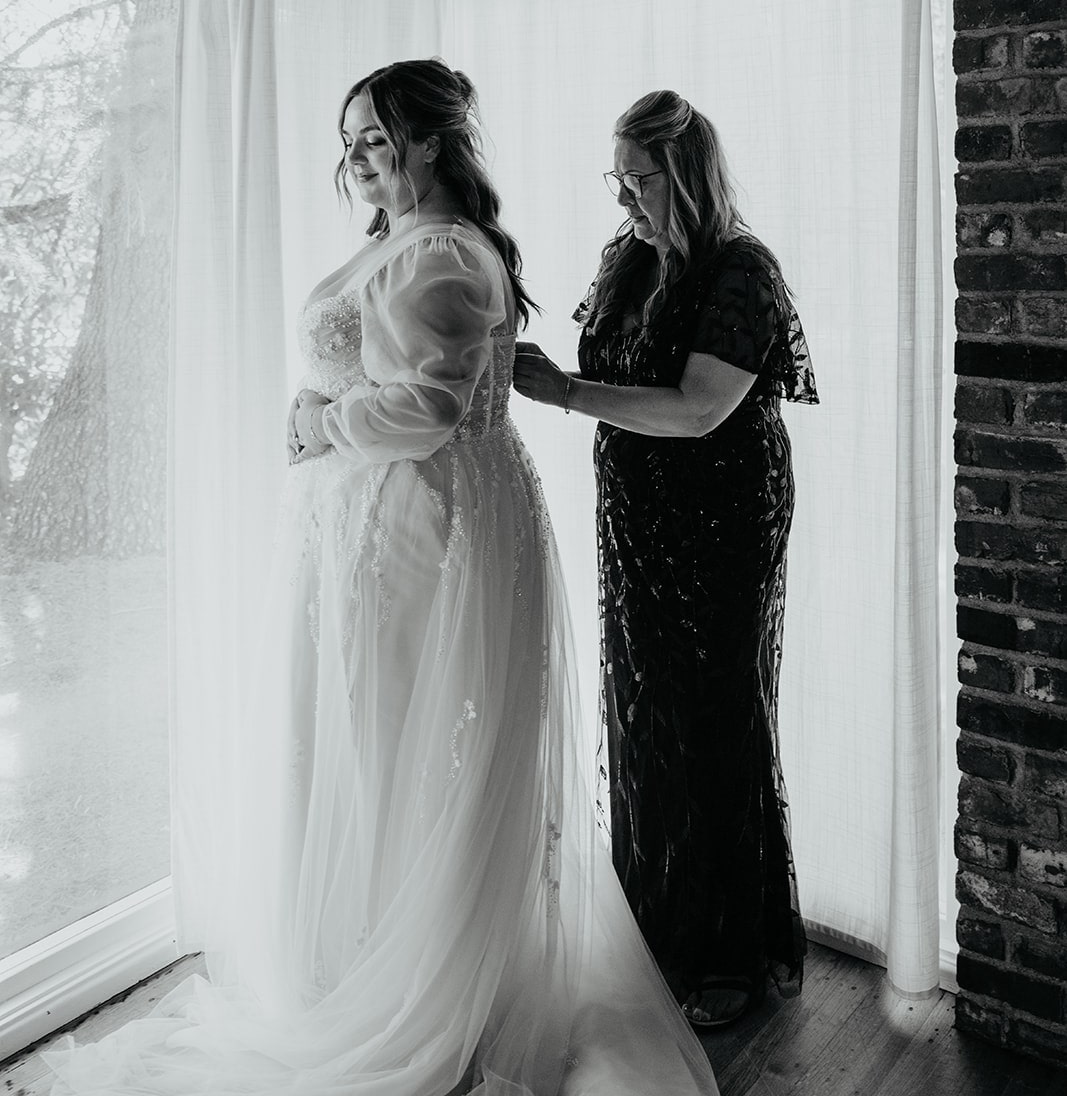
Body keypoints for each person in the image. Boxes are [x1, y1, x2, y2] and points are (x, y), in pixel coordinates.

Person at [44, 60, 718, 1096]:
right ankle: (382, 958)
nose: (353, 158)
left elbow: (427, 409)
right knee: (391, 746)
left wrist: (319, 421)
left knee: (391, 741)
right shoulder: (420, 242)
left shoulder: (443, 251)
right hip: (409, 519)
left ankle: (406, 986)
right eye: (349, 139)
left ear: (431, 143)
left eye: (372, 138)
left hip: (410, 531)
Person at [513, 89, 818, 1033]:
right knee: (641, 710)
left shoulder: (741, 271)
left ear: (687, 175)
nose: (624, 201)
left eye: (639, 180)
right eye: (617, 179)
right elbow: (624, 369)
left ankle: (730, 952)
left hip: (722, 521)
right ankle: (656, 927)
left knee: (714, 717)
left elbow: (695, 407)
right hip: (638, 517)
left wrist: (563, 393)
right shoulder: (628, 260)